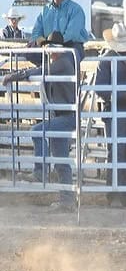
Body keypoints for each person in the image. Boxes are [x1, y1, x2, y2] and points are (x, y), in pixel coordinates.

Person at [2, 31, 78, 211]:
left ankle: (40, 172)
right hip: (62, 116)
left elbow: (39, 71)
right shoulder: (61, 62)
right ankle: (67, 199)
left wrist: (14, 75)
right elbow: (40, 69)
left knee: (37, 131)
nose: (48, 51)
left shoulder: (63, 63)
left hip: (67, 116)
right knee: (61, 160)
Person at [96, 22, 126, 208]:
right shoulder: (107, 59)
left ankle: (125, 193)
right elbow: (100, 87)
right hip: (116, 109)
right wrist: (124, 95)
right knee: (117, 151)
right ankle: (114, 193)